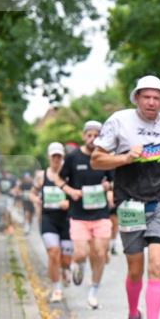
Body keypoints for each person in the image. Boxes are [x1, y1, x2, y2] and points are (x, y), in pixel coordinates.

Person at [92, 75, 160, 319]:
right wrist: (124, 159)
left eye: (157, 98)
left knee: (155, 267)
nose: (151, 102)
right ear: (136, 98)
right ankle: (134, 315)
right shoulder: (119, 121)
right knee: (135, 269)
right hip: (130, 202)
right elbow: (96, 160)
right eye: (146, 97)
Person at [62, 120, 116, 309]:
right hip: (78, 214)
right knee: (81, 253)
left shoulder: (105, 157)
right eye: (89, 135)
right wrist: (70, 191)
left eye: (96, 135)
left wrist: (109, 189)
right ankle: (78, 265)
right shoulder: (73, 157)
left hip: (101, 213)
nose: (93, 139)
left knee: (100, 253)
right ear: (84, 136)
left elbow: (111, 181)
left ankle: (93, 290)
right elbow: (60, 179)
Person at [32, 143, 74, 302]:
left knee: (65, 258)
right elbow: (32, 193)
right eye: (54, 156)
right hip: (48, 218)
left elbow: (76, 196)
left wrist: (69, 203)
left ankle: (66, 269)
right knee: (53, 253)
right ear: (49, 157)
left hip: (66, 220)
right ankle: (56, 289)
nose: (56, 159)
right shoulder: (41, 176)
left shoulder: (68, 176)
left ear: (63, 157)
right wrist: (36, 199)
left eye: (59, 156)